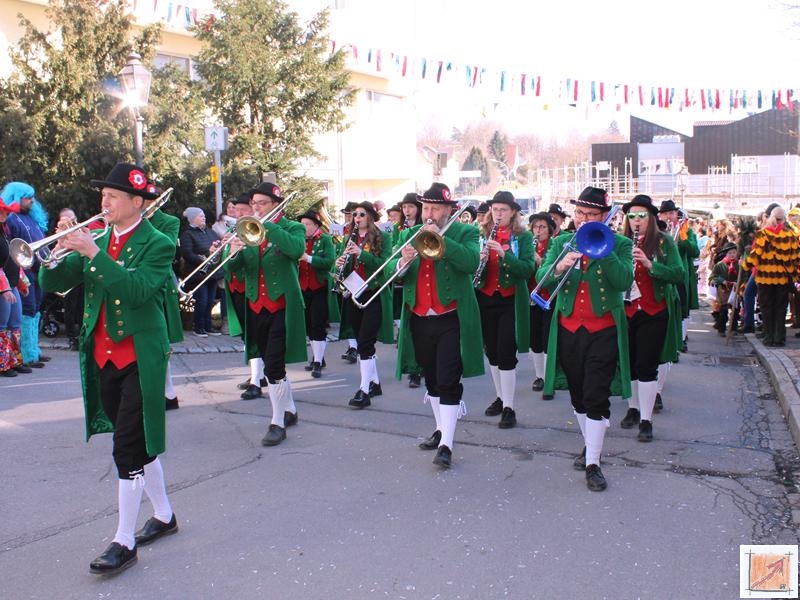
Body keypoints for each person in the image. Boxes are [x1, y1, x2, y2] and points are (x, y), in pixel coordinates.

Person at [39, 163, 178, 575]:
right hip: (103, 357)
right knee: (137, 442)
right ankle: (165, 515)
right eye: (103, 195)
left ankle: (124, 541)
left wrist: (92, 253)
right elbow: (53, 283)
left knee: (126, 449)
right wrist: (55, 253)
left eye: (113, 196)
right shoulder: (98, 239)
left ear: (137, 202)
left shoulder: (158, 243)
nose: (104, 202)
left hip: (140, 357)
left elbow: (136, 291)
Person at [536, 186, 633, 492]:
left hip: (603, 329)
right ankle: (590, 443)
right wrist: (559, 266)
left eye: (591, 214)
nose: (583, 219)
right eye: (580, 213)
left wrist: (604, 250)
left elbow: (623, 281)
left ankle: (593, 462)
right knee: (578, 394)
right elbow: (541, 279)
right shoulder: (562, 242)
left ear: (605, 217)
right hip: (568, 327)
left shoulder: (621, 244)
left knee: (595, 394)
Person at [391, 182, 483, 468]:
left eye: (435, 209)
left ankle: (447, 445)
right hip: (420, 316)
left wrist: (441, 240)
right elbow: (395, 275)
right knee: (431, 377)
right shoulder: (408, 234)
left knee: (447, 378)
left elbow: (470, 263)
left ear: (448, 210)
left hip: (451, 316)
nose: (429, 214)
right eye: (426, 208)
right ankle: (441, 428)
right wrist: (402, 263)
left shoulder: (465, 232)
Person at [225, 182, 305, 444]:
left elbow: (296, 250)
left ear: (275, 205)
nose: (256, 208)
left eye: (262, 203)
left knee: (273, 365)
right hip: (255, 305)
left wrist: (268, 225)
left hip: (281, 305)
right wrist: (231, 252)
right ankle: (289, 410)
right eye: (254, 203)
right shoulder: (246, 229)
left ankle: (277, 422)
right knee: (269, 361)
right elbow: (235, 269)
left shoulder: (291, 227)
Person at [617, 195, 684, 443]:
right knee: (629, 363)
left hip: (653, 311)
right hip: (626, 311)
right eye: (632, 216)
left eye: (641, 216)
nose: (636, 220)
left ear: (651, 218)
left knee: (646, 365)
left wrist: (649, 264)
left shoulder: (664, 242)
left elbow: (678, 274)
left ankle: (646, 420)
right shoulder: (620, 242)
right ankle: (633, 408)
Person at [475, 191, 535, 429]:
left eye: (503, 210)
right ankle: (500, 397)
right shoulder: (481, 233)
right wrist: (478, 259)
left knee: (506, 350)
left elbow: (527, 269)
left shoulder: (523, 236)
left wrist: (504, 254)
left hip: (510, 300)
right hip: (486, 297)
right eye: (495, 209)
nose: (498, 214)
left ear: (513, 213)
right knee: (491, 351)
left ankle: (509, 407)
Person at [334, 200, 394, 408]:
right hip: (353, 292)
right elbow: (341, 263)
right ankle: (375, 383)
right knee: (361, 341)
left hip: (373, 292)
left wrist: (362, 254)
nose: (357, 218)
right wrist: (338, 263)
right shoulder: (348, 238)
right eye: (354, 215)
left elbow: (385, 265)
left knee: (366, 341)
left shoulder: (383, 238)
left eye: (361, 214)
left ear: (370, 216)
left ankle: (364, 390)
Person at [2, 181, 50, 368]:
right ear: (16, 198)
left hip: (37, 269)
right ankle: (25, 354)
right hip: (24, 271)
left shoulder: (31, 218)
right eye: (27, 197)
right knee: (27, 310)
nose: (32, 200)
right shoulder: (12, 219)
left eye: (32, 197)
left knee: (35, 309)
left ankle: (33, 350)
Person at [143, 187, 183, 411]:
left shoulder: (169, 221)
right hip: (136, 284)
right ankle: (163, 392)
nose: (146, 204)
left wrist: (139, 222)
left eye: (151, 200)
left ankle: (168, 392)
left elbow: (165, 248)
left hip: (161, 285)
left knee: (160, 342)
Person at [744, 205, 800, 347]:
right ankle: (779, 338)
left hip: (765, 278)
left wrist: (745, 265)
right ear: (784, 219)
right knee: (781, 308)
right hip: (783, 278)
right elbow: (796, 258)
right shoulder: (790, 235)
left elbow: (756, 255)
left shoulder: (763, 234)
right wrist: (795, 276)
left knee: (767, 307)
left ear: (771, 218)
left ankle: (769, 338)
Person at [298, 209, 334, 378]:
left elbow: (329, 261)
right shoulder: (298, 240)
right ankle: (318, 357)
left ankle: (318, 361)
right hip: (302, 287)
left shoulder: (325, 239)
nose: (304, 227)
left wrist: (309, 258)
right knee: (308, 324)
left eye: (308, 224)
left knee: (317, 323)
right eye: (302, 224)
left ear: (316, 226)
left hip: (319, 286)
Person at [658, 201, 699, 352]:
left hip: (681, 275)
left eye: (671, 213)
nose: (668, 217)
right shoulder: (656, 231)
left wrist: (681, 240)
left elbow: (695, 251)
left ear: (676, 214)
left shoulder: (686, 231)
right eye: (665, 214)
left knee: (681, 308)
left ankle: (680, 340)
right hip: (662, 274)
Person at [394, 192, 424, 389]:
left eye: (411, 207)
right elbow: (394, 253)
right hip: (408, 279)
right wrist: (400, 261)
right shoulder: (400, 229)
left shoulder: (425, 227)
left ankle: (421, 369)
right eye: (404, 207)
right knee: (411, 331)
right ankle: (414, 369)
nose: (407, 210)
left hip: (424, 279)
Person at [527, 212, 557, 395]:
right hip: (531, 297)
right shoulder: (528, 244)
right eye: (535, 227)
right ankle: (539, 375)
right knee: (534, 337)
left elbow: (553, 270)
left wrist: (539, 260)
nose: (538, 230)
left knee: (547, 337)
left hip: (549, 297)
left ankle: (549, 377)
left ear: (549, 229)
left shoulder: (554, 245)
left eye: (542, 227)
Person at [179, 207, 222, 337]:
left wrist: (217, 247)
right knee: (202, 300)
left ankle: (208, 327)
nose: (203, 217)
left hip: (212, 272)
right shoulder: (187, 234)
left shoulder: (210, 232)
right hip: (197, 273)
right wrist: (204, 257)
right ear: (192, 219)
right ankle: (199, 327)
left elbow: (218, 245)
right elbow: (187, 253)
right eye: (200, 216)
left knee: (210, 300)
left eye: (203, 215)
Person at [0, 196, 27, 376]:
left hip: (11, 282)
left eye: (6, 212)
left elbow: (13, 259)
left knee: (15, 323)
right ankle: (3, 364)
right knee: (1, 325)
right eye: (1, 211)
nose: (4, 214)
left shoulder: (5, 231)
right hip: (3, 286)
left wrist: (22, 282)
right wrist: (4, 287)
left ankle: (14, 360)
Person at [337, 201, 360, 364]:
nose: (349, 217)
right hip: (349, 279)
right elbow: (337, 256)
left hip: (365, 280)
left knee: (361, 319)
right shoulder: (345, 234)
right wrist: (337, 263)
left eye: (351, 214)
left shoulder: (374, 234)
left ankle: (361, 347)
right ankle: (353, 347)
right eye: (347, 214)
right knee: (349, 316)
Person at [710, 242, 740, 336]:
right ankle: (721, 329)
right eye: (730, 253)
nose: (732, 255)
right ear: (726, 254)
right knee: (723, 310)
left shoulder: (739, 265)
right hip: (723, 290)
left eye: (734, 252)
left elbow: (743, 276)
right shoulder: (720, 265)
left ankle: (733, 328)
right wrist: (722, 281)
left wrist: (739, 283)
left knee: (735, 309)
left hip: (734, 290)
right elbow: (712, 277)